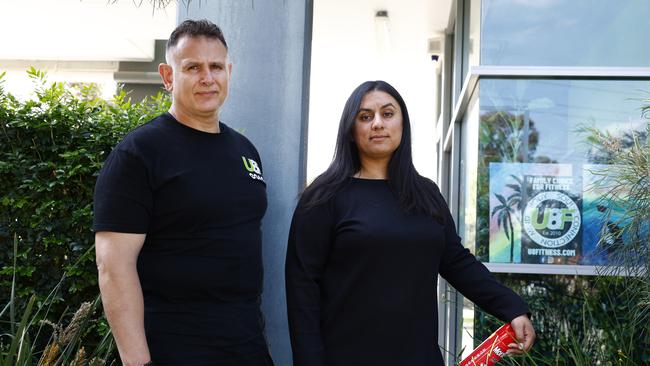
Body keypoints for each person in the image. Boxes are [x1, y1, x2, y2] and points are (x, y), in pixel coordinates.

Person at [285, 80, 535, 366]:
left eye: (387, 114)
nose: (377, 123)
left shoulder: (426, 193)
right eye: (365, 117)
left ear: (403, 124)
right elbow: (302, 288)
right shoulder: (324, 196)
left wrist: (513, 308)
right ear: (351, 131)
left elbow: (457, 262)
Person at [94, 19, 273, 366]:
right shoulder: (138, 154)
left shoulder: (246, 151)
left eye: (216, 66)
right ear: (167, 75)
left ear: (229, 72)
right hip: (173, 348)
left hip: (246, 346)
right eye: (192, 67)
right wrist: (138, 362)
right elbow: (113, 266)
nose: (207, 77)